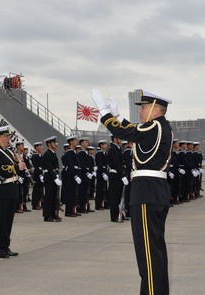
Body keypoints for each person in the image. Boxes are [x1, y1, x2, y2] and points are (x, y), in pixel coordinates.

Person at [92, 88, 173, 295]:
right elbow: (135, 130)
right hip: (152, 191)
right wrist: (118, 116)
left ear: (155, 109)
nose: (140, 111)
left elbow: (127, 132)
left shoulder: (155, 126)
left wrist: (104, 113)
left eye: (143, 107)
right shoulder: (158, 128)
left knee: (148, 252)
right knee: (154, 250)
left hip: (147, 192)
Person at [0, 126, 25, 258]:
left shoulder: (8, 152)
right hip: (0, 191)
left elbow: (14, 169)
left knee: (8, 220)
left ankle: (5, 245)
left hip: (10, 190)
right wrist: (16, 166)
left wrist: (20, 165)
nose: (8, 139)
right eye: (6, 137)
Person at [41, 136, 62, 222]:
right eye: (53, 143)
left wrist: (57, 175)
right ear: (49, 144)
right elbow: (49, 168)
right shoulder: (47, 154)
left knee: (54, 196)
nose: (55, 144)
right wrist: (54, 177)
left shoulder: (53, 153)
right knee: (49, 197)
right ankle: (47, 215)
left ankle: (53, 214)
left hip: (54, 176)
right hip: (49, 178)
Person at [107, 134, 127, 222]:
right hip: (115, 175)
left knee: (119, 196)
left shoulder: (118, 148)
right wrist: (122, 176)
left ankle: (119, 214)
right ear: (115, 139)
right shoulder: (112, 149)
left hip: (119, 175)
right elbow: (116, 164)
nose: (121, 139)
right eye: (119, 138)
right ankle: (114, 216)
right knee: (114, 196)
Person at [62, 136, 82, 217]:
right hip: (71, 176)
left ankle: (73, 209)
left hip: (74, 175)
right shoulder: (69, 153)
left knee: (74, 193)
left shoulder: (72, 152)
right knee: (70, 193)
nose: (76, 142)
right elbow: (71, 166)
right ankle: (68, 211)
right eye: (75, 140)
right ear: (71, 142)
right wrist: (75, 176)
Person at [95, 140, 109, 210]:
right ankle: (98, 205)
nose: (106, 145)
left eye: (106, 144)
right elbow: (100, 164)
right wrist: (103, 173)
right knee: (99, 189)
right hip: (101, 173)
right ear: (101, 145)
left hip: (105, 172)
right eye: (104, 144)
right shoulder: (99, 154)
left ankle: (104, 203)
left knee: (104, 189)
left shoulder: (105, 153)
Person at [30, 142, 44, 211]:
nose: (41, 147)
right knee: (36, 190)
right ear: (36, 148)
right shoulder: (35, 156)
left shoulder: (40, 156)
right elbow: (36, 166)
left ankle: (39, 203)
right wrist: (40, 174)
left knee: (40, 190)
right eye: (40, 146)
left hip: (41, 174)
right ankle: (35, 204)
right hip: (37, 174)